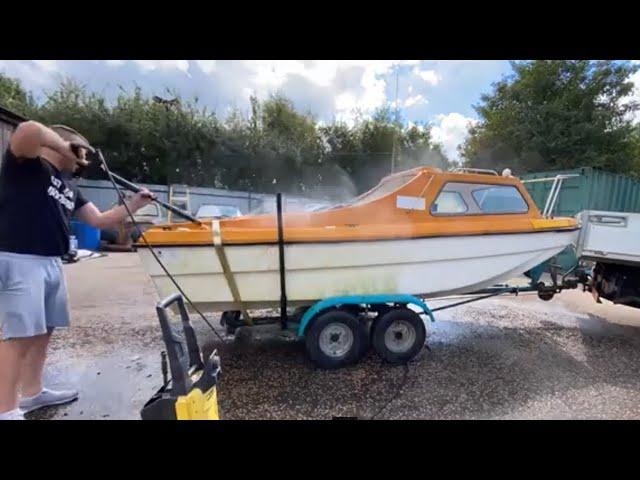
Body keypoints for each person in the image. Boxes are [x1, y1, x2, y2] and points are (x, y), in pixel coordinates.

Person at [0, 121, 154, 420]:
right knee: (18, 336)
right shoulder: (26, 166)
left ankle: (32, 393)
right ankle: (5, 409)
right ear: (64, 144)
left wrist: (135, 205)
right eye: (80, 150)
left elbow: (99, 220)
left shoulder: (70, 185)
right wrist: (61, 145)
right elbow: (28, 130)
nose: (83, 158)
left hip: (51, 261)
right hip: (20, 260)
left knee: (43, 332)